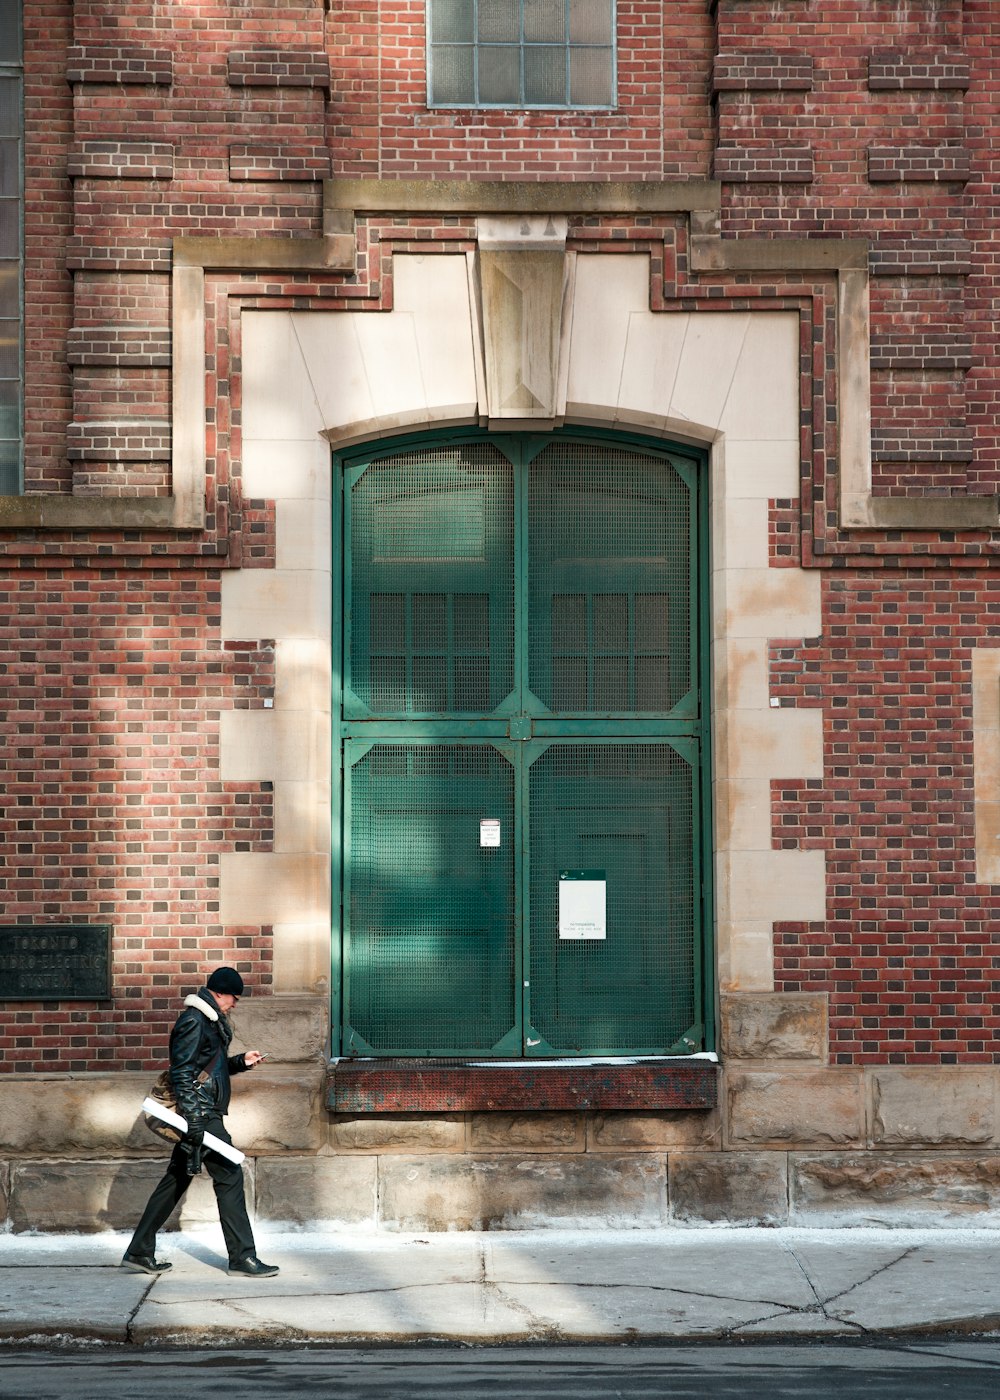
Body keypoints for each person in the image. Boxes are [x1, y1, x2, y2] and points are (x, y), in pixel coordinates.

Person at [121, 966, 279, 1279]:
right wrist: (193, 1120)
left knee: (175, 1179)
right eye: (234, 997)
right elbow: (181, 1072)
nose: (235, 1004)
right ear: (220, 992)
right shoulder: (194, 1020)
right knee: (230, 1177)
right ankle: (242, 1258)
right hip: (202, 1115)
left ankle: (139, 1251)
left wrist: (240, 1062)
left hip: (203, 1112)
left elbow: (209, 1070)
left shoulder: (209, 1020)